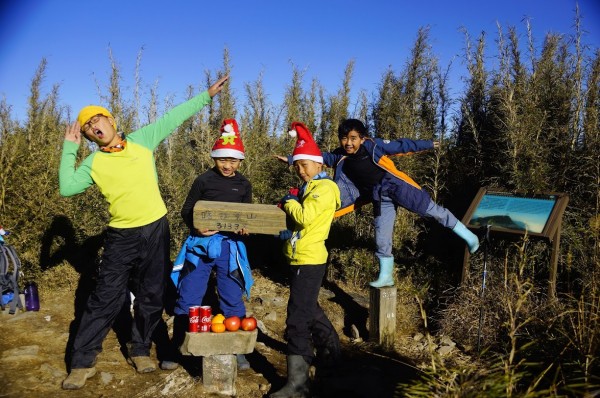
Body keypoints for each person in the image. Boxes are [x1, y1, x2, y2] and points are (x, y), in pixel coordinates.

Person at [59, 75, 229, 390]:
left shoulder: (142, 140)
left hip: (155, 227)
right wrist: (69, 150)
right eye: (87, 127)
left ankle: (139, 349)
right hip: (121, 236)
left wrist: (205, 95)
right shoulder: (93, 163)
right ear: (88, 136)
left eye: (98, 119)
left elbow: (173, 117)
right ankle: (82, 362)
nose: (95, 126)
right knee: (106, 297)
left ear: (111, 120)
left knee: (152, 293)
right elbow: (66, 187)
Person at [278, 118, 479, 288]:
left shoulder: (373, 146)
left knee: (433, 211)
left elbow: (401, 145)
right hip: (379, 196)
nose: (348, 143)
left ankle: (469, 236)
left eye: (353, 138)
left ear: (362, 138)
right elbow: (317, 157)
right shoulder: (340, 156)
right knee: (382, 235)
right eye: (345, 138)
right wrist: (291, 159)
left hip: (397, 187)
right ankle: (386, 276)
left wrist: (428, 144)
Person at [171, 118, 254, 371]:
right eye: (222, 160)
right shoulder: (203, 180)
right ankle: (180, 348)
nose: (227, 165)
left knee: (231, 297)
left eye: (233, 161)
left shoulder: (244, 184)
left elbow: (247, 215)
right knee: (189, 294)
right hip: (200, 246)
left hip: (230, 247)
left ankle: (236, 348)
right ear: (214, 158)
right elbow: (187, 210)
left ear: (240, 161)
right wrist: (195, 227)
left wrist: (245, 228)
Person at [270, 122, 341, 398]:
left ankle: (297, 385)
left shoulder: (323, 189)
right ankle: (331, 353)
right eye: (297, 166)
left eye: (305, 165)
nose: (301, 170)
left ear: (318, 163)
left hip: (310, 259)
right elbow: (301, 224)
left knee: (297, 319)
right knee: (308, 307)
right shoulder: (311, 187)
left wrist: (289, 201)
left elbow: (305, 217)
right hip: (303, 257)